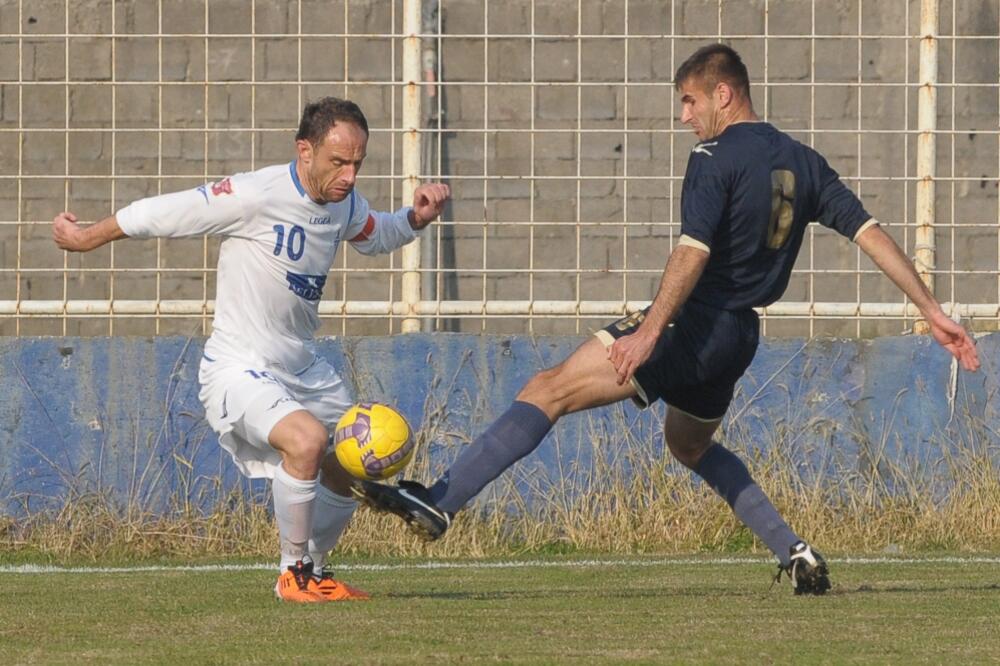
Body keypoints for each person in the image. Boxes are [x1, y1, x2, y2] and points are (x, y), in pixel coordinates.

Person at [351, 44, 981, 595]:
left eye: (689, 101)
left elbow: (692, 251)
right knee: (689, 444)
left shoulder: (714, 157)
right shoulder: (806, 162)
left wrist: (650, 330)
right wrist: (932, 312)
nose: (684, 116)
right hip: (739, 338)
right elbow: (870, 234)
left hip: (691, 324)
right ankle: (793, 550)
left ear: (723, 94)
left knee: (548, 390)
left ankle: (439, 502)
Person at [52, 97, 451, 603]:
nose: (349, 175)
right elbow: (162, 213)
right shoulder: (253, 194)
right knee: (306, 440)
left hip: (301, 366)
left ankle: (316, 573)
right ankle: (292, 575)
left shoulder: (343, 203)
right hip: (238, 367)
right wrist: (85, 237)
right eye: (338, 162)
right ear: (304, 151)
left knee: (351, 460)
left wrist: (414, 219)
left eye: (358, 163)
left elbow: (374, 234)